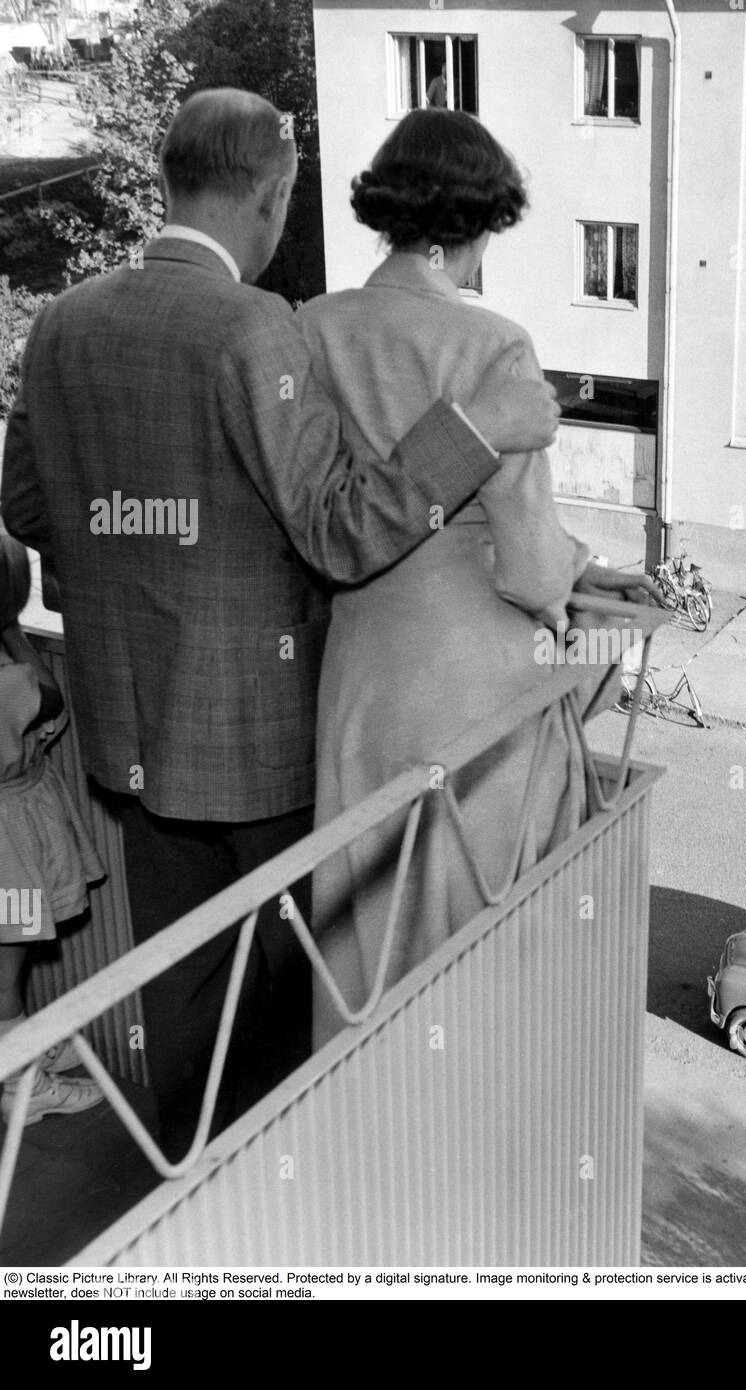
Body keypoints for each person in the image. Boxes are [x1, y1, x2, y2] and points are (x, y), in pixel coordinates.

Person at [0, 88, 561, 1158]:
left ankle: (192, 1173)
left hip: (130, 735)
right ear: (273, 192)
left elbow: (30, 507)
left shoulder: (66, 317)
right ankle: (282, 1185)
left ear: (169, 175)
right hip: (264, 736)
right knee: (292, 982)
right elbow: (342, 534)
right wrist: (476, 428)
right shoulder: (255, 325)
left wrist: (131, 584)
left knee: (183, 979)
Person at [299, 108, 654, 1042]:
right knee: (477, 931)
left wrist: (583, 565)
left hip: (362, 676)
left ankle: (363, 1130)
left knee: (370, 924)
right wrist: (577, 591)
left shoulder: (312, 328)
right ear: (486, 222)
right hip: (473, 686)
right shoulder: (493, 344)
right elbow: (527, 561)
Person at [0, 531, 106, 1125]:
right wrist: (12, 629)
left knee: (7, 960)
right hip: (6, 850)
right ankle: (21, 1087)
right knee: (6, 969)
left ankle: (18, 1049)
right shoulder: (12, 683)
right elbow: (49, 700)